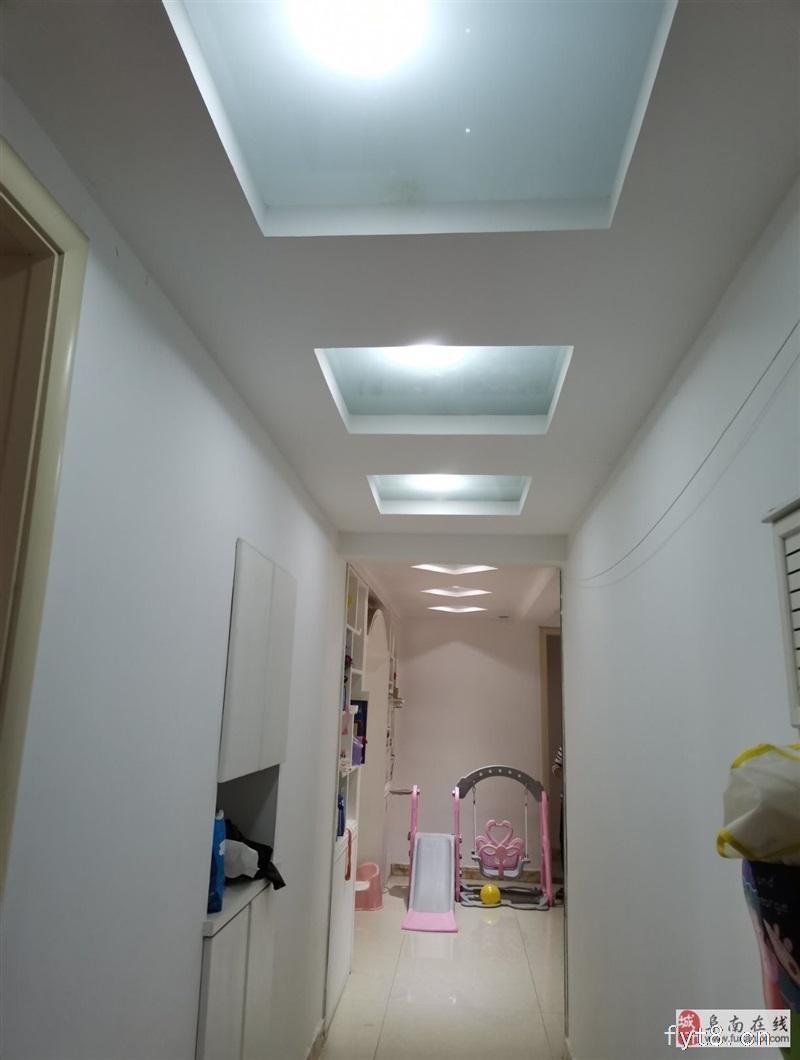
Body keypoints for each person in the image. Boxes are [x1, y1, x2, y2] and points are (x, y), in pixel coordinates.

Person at [552, 746, 564, 897]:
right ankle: (566, 883)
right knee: (564, 840)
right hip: (566, 798)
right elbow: (555, 766)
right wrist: (564, 775)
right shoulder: (564, 745)